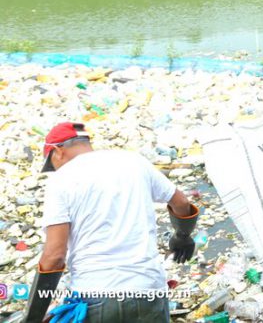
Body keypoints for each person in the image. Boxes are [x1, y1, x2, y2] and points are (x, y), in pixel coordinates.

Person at [23, 122, 199, 322]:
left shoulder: (61, 180)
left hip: (97, 295)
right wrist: (182, 236)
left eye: (51, 164)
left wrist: (32, 318)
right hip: (150, 291)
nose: (54, 169)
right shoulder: (134, 162)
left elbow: (54, 256)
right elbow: (182, 203)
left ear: (57, 151)